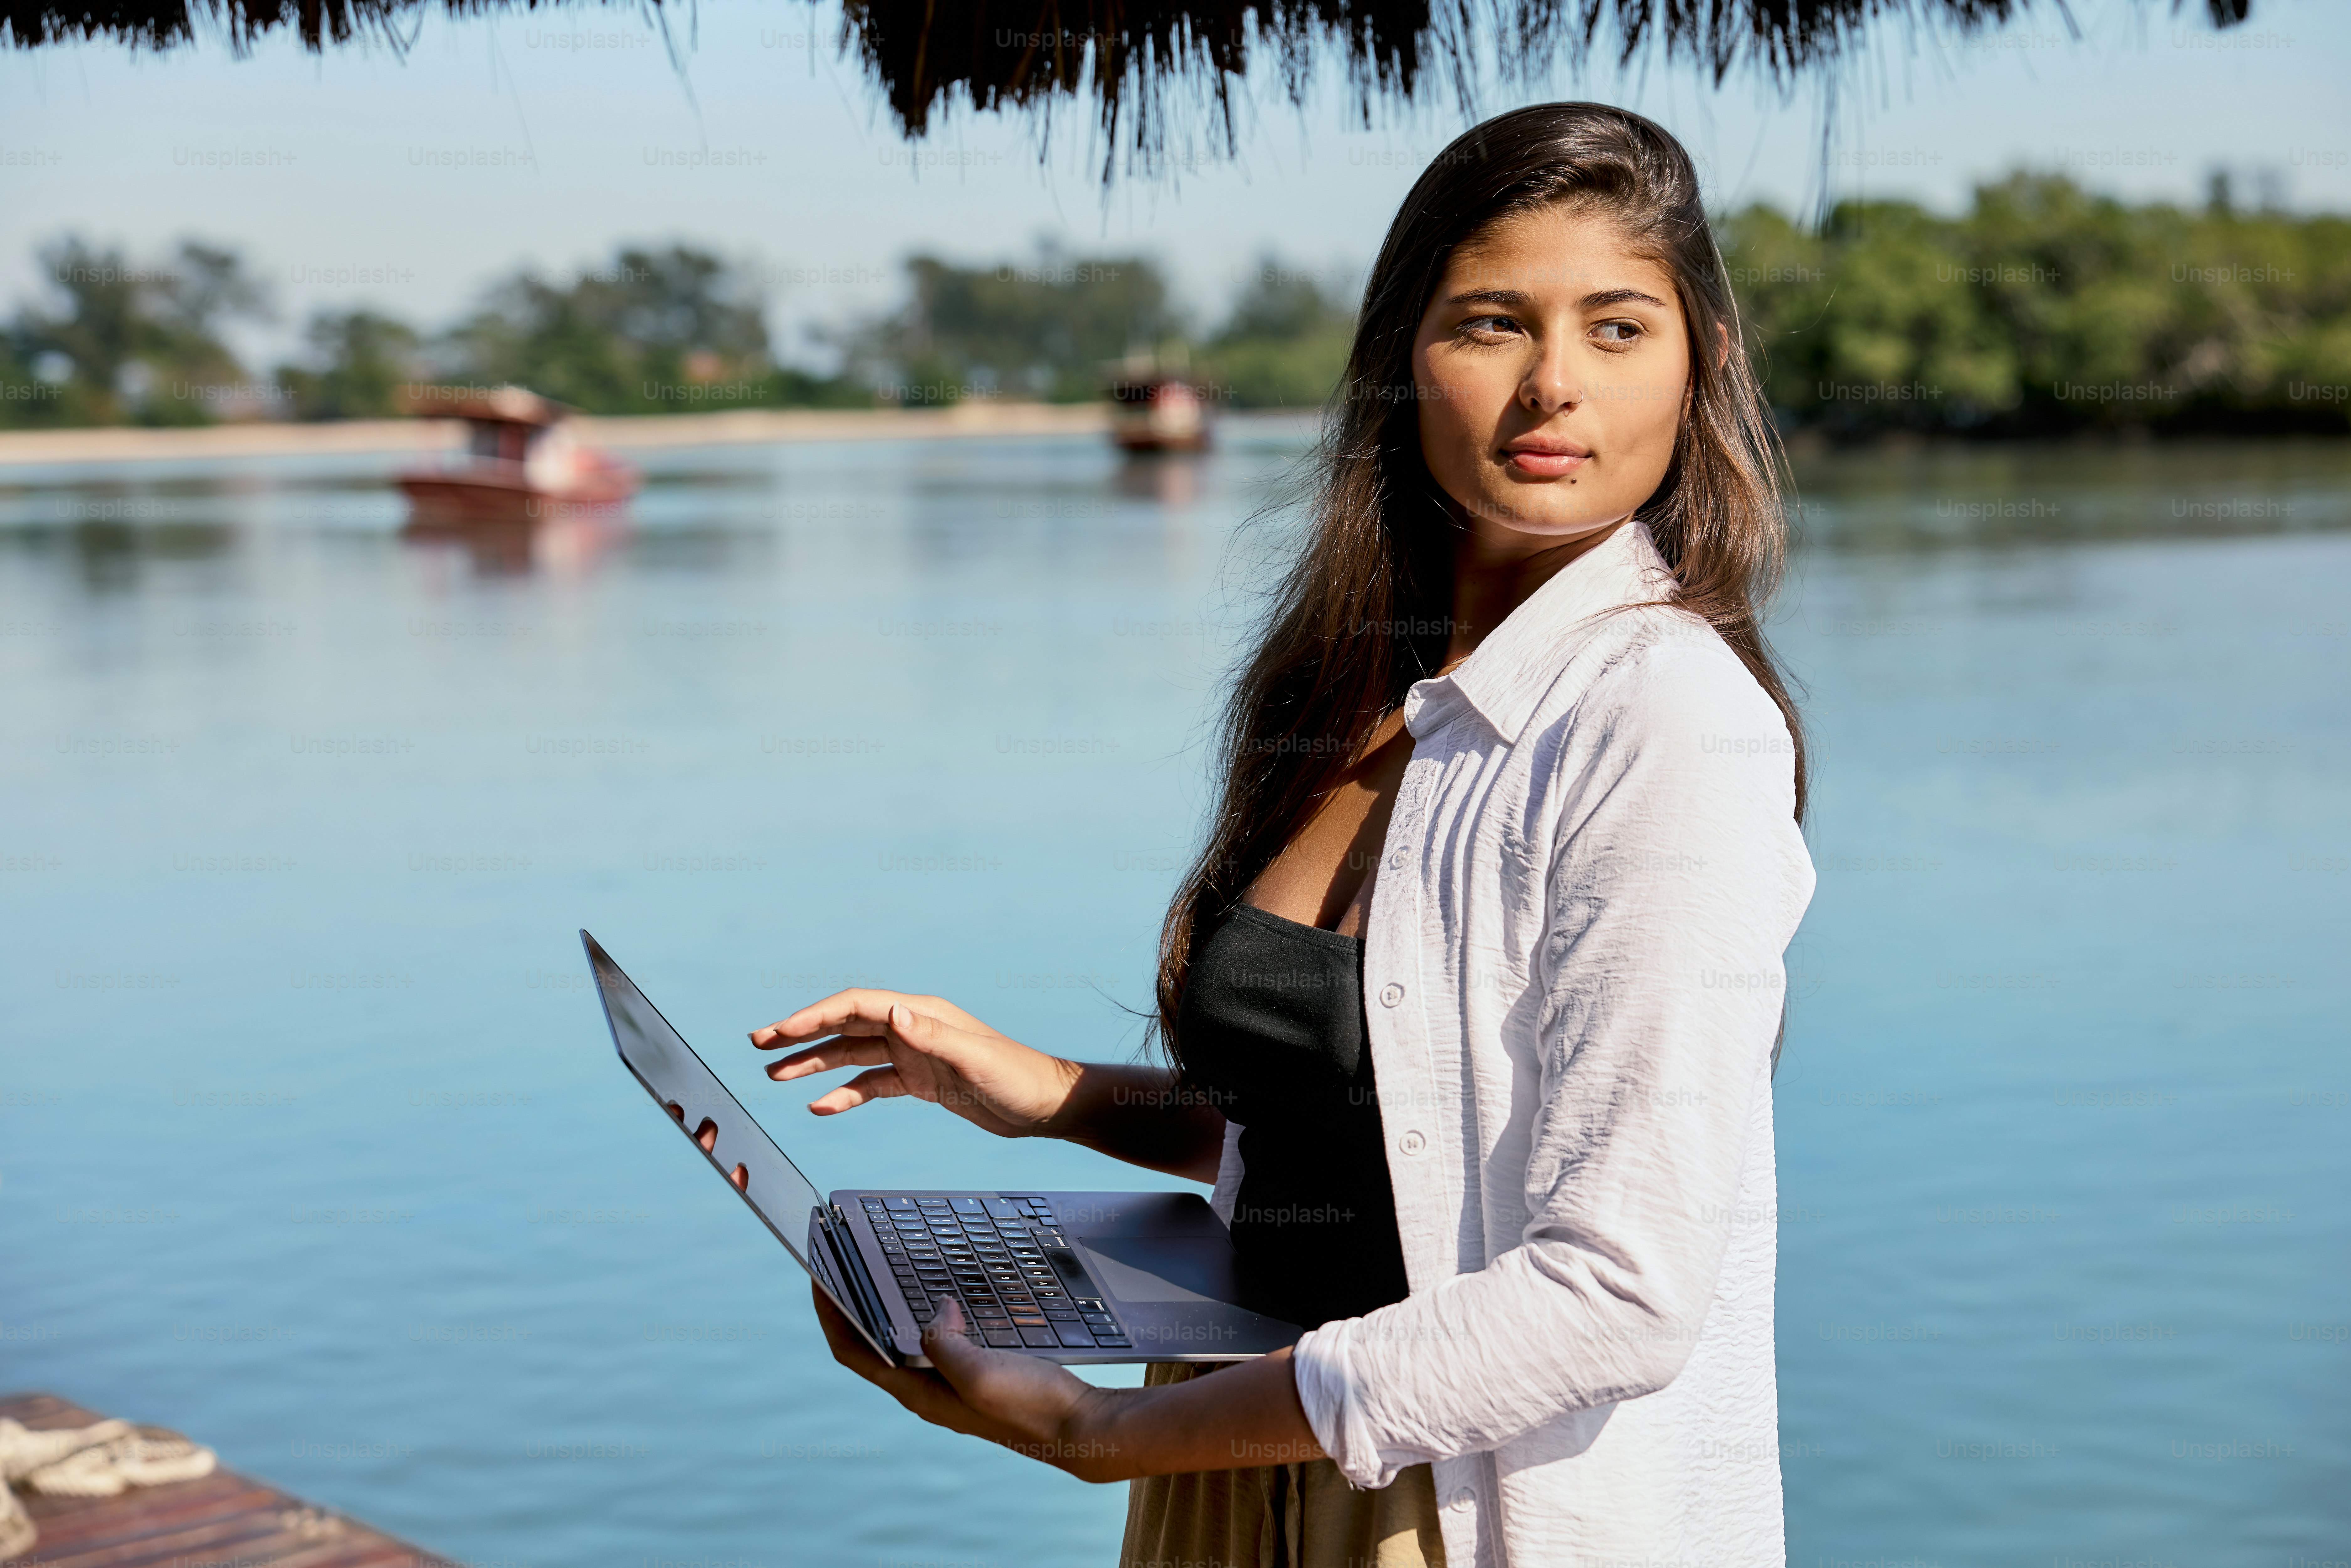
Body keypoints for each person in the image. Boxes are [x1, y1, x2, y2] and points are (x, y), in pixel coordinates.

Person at [749, 101, 1816, 1568]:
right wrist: (1052, 1097)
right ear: (1404, 363)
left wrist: (1096, 1434)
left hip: (1452, 1506)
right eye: (1493, 323)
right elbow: (1387, 1140)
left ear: (1697, 369)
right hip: (1232, 1452)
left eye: (1620, 328)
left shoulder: (1665, 725)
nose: (1552, 386)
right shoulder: (1370, 689)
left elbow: (1617, 1288)